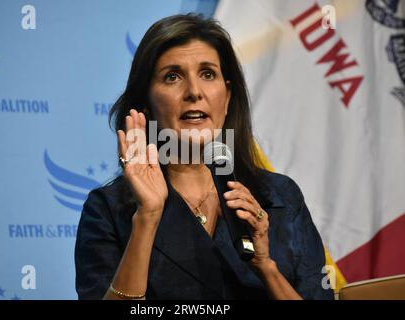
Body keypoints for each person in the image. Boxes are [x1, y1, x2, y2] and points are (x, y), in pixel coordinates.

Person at [75, 13, 334, 300]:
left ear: (227, 96)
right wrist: (147, 217)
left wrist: (265, 266)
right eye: (172, 76)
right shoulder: (110, 210)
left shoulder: (280, 197)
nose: (194, 92)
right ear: (145, 103)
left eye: (208, 74)